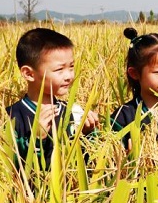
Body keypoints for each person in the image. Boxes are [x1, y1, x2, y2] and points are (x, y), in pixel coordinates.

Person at [6, 28, 99, 170]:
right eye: (59, 70)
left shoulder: (73, 112)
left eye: (71, 67)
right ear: (29, 73)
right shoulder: (11, 117)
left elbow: (88, 165)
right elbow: (8, 167)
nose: (68, 75)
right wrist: (36, 140)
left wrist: (89, 134)